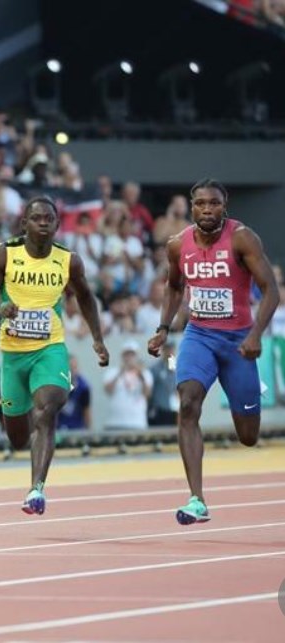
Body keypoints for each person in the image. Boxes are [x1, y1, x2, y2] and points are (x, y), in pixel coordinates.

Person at [147, 179, 278, 525]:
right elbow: (174, 286)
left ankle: (249, 391)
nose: (207, 210)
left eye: (214, 204)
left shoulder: (242, 238)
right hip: (199, 336)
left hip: (238, 343)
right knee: (187, 403)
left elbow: (271, 291)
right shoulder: (178, 245)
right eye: (201, 203)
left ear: (225, 205)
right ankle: (196, 499)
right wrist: (163, 328)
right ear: (191, 206)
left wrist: (255, 335)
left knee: (248, 437)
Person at [0, 196, 109, 515]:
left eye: (49, 218)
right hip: (12, 357)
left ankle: (36, 490)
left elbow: (87, 298)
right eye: (36, 218)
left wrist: (98, 340)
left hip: (50, 349)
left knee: (46, 410)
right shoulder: (4, 254)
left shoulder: (68, 260)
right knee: (17, 436)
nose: (43, 223)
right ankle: (16, 424)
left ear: (58, 224)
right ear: (24, 224)